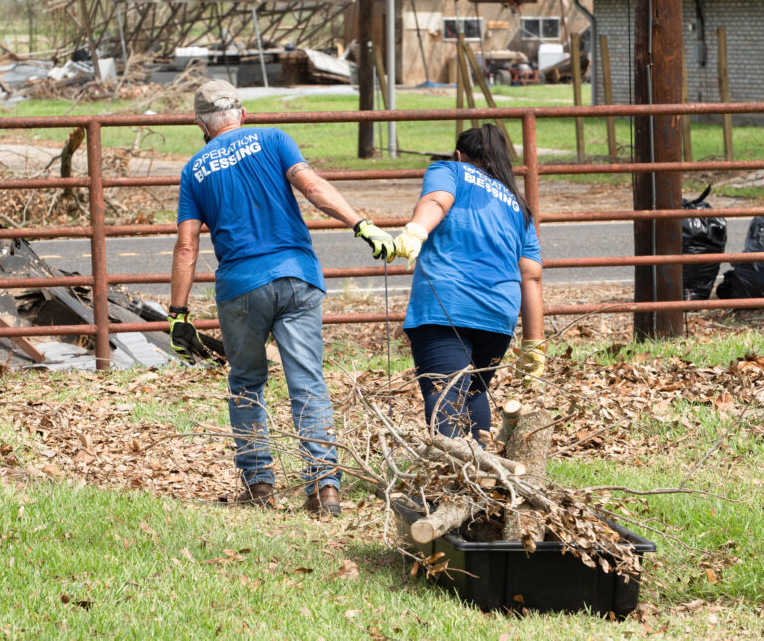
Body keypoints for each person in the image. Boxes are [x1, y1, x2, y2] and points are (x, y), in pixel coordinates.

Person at [168, 80, 395, 516]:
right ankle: (325, 487)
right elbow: (312, 188)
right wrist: (361, 224)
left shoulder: (194, 170)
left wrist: (178, 313)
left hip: (241, 288)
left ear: (200, 123)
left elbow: (186, 247)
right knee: (308, 383)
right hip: (297, 277)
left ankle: (259, 487)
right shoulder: (273, 139)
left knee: (246, 384)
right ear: (243, 114)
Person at [393, 124, 545, 441]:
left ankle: (451, 481)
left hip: (448, 304)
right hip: (498, 318)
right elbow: (531, 276)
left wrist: (417, 230)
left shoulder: (450, 170)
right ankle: (484, 474)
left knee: (446, 396)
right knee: (473, 393)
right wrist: (534, 345)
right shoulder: (520, 206)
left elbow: (437, 201)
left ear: (460, 156)